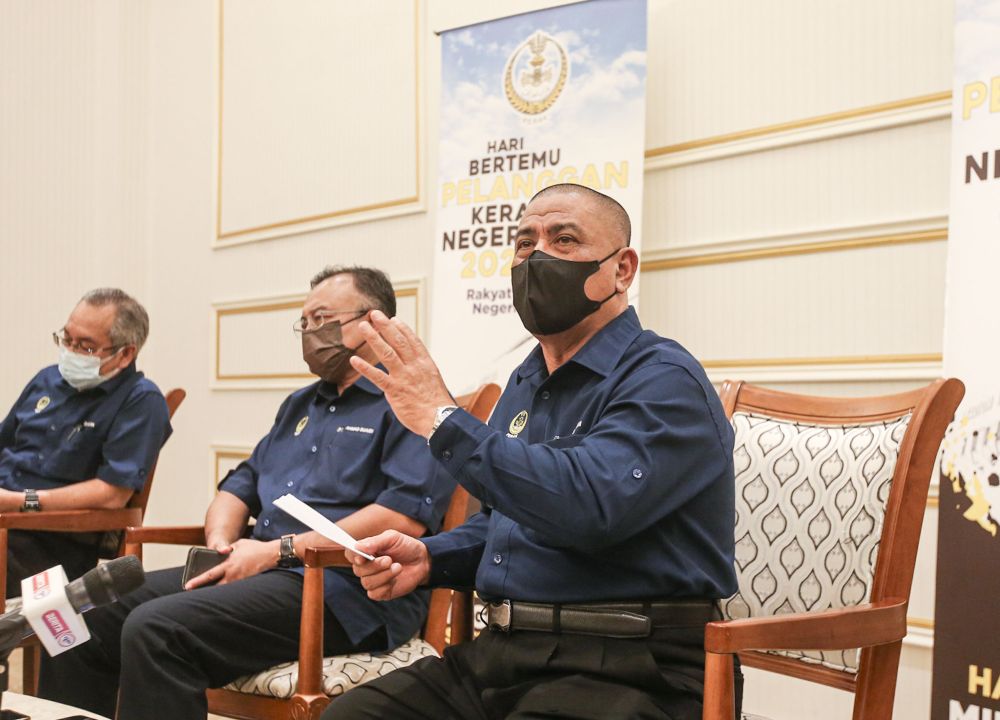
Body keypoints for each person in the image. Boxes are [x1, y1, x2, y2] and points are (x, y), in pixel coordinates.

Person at [325, 184, 739, 720]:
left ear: (622, 269)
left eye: (563, 240)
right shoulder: (527, 380)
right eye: (525, 243)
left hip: (635, 664)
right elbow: (508, 528)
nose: (537, 256)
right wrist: (431, 557)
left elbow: (588, 506)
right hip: (504, 655)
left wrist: (442, 419)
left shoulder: (664, 378)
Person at [38, 267, 456, 720]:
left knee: (156, 629)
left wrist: (277, 552)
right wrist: (220, 543)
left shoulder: (411, 402)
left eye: (322, 319)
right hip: (261, 569)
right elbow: (240, 486)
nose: (311, 333)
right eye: (305, 323)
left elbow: (402, 516)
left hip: (346, 591)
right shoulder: (299, 405)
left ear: (374, 322)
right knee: (78, 610)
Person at [0, 287, 171, 594]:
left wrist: (18, 502)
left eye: (87, 347)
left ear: (126, 353)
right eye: (67, 340)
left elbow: (111, 494)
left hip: (48, 544)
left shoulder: (141, 401)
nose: (71, 351)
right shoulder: (46, 379)